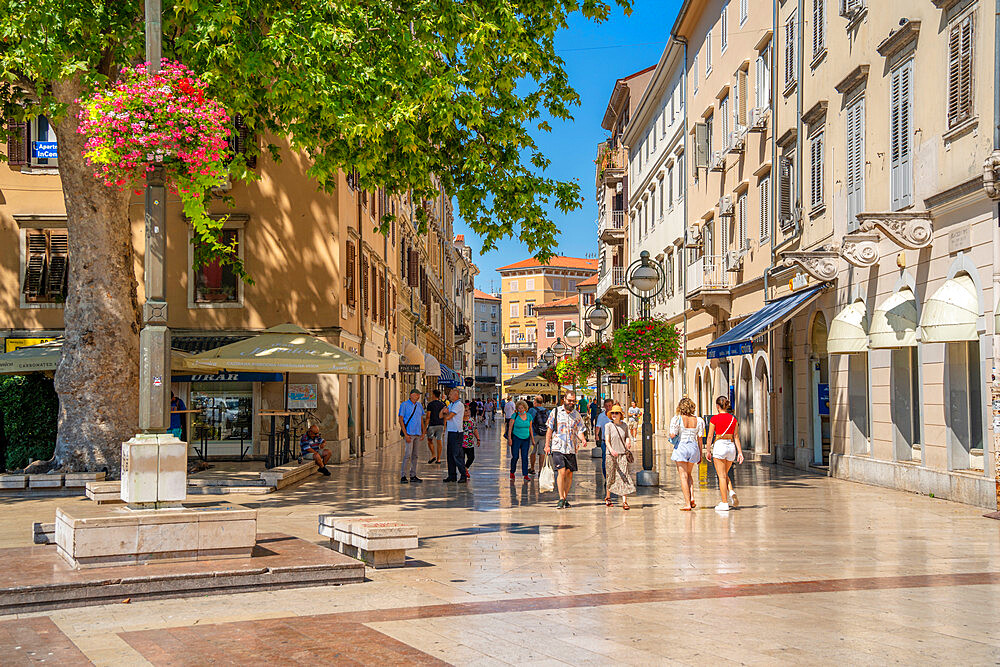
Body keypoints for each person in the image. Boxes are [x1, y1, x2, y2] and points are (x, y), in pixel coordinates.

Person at [545, 390, 587, 509]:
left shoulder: (576, 415)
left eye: (573, 401)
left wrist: (583, 439)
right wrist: (547, 445)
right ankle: (561, 498)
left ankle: (565, 498)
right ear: (564, 399)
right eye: (569, 400)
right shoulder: (556, 412)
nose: (571, 403)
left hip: (571, 447)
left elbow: (579, 430)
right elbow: (549, 429)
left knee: (569, 473)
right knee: (561, 471)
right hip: (558, 446)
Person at [706, 396, 744, 511]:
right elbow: (736, 436)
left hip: (720, 446)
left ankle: (724, 502)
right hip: (731, 447)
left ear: (717, 406)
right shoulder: (734, 419)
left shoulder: (714, 419)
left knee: (721, 476)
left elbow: (709, 436)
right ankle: (731, 492)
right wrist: (740, 453)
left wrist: (708, 450)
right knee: (725, 474)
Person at [668, 398, 704, 511]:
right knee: (689, 474)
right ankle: (692, 496)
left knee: (683, 476)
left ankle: (687, 503)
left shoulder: (677, 419)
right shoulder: (699, 420)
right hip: (693, 447)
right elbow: (700, 438)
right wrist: (700, 454)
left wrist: (669, 436)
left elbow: (673, 435)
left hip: (682, 447)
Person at [603, 404, 636, 509]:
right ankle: (608, 497)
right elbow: (607, 441)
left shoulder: (624, 426)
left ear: (620, 415)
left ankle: (625, 501)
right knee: (610, 476)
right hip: (610, 455)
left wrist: (628, 441)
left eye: (616, 413)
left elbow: (627, 436)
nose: (614, 415)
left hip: (622, 454)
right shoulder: (608, 426)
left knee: (623, 476)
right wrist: (611, 450)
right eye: (612, 413)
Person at [397, 389, 425, 484]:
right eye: (417, 395)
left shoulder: (419, 405)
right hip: (409, 434)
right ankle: (403, 475)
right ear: (412, 395)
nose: (418, 396)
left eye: (419, 395)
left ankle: (413, 475)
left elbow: (421, 419)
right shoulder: (404, 405)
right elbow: (401, 419)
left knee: (415, 455)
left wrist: (423, 432)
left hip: (417, 433)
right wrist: (405, 434)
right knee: (407, 455)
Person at [442, 388, 468, 483]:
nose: (449, 396)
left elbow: (448, 417)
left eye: (451, 394)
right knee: (450, 455)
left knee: (457, 455)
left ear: (456, 395)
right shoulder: (452, 404)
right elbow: (442, 415)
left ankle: (463, 475)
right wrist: (444, 412)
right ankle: (452, 475)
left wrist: (445, 413)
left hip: (457, 432)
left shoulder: (459, 405)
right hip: (451, 431)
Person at [507, 400, 535, 480]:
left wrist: (532, 439)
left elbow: (530, 429)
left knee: (525, 457)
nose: (521, 410)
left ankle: (525, 474)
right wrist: (509, 439)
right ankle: (512, 471)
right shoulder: (514, 416)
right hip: (516, 438)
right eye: (519, 408)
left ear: (525, 408)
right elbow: (510, 428)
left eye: (522, 408)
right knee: (515, 456)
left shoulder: (529, 416)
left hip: (526, 439)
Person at [527, 395, 548, 475]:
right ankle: (540, 470)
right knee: (542, 452)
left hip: (534, 434)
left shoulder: (532, 410)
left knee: (533, 451)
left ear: (535, 402)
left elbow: (528, 421)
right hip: (544, 434)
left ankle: (532, 468)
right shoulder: (547, 411)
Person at [594, 398, 614, 479]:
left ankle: (613, 477)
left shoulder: (615, 414)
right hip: (605, 441)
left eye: (610, 405)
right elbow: (598, 426)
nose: (608, 407)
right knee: (605, 460)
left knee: (614, 460)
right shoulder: (601, 416)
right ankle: (607, 477)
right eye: (606, 406)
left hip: (615, 442)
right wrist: (596, 435)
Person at [425, 389, 447, 464]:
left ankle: (433, 454)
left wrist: (425, 427)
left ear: (434, 395)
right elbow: (445, 416)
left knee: (429, 440)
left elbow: (428, 416)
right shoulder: (443, 405)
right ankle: (439, 459)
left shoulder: (430, 404)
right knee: (439, 441)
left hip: (432, 425)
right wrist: (444, 426)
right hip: (440, 425)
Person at [462, 405, 481, 475]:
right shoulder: (459, 420)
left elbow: (475, 430)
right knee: (461, 459)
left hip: (470, 443)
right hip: (461, 443)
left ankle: (465, 468)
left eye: (468, 410)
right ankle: (463, 473)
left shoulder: (472, 420)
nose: (468, 412)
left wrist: (478, 439)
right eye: (466, 410)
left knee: (471, 457)